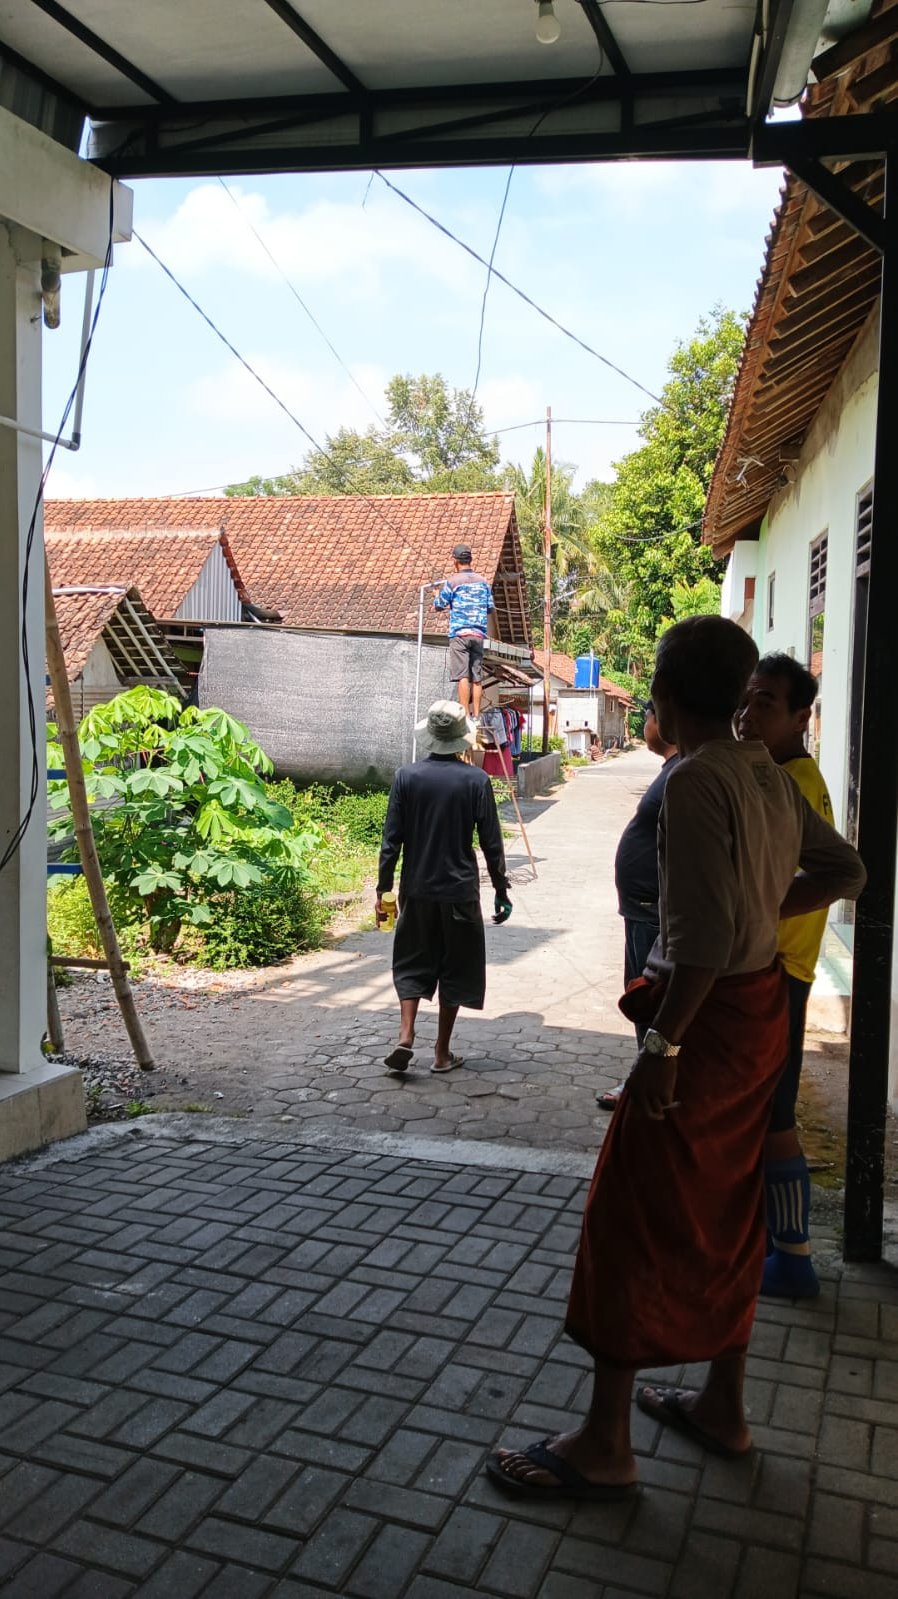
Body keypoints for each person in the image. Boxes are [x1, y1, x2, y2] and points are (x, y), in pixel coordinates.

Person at [486, 616, 864, 1503]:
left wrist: (661, 1045)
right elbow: (845, 869)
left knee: (633, 1215)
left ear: (656, 694)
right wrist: (769, 911)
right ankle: (723, 1405)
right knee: (730, 1207)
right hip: (758, 1013)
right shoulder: (766, 775)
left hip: (705, 1025)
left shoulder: (696, 780)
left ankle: (605, 1442)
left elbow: (694, 941)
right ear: (739, 697)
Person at [738, 653, 832, 1300]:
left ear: (802, 716)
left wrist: (753, 912)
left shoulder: (792, 784)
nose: (748, 713)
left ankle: (792, 1256)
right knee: (768, 1113)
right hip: (775, 969)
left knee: (771, 1116)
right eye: (746, 698)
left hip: (777, 974)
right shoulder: (778, 774)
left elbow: (824, 876)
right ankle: (779, 1246)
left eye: (766, 702)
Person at [377, 700, 512, 1075]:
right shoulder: (476, 781)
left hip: (416, 890)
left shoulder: (406, 777)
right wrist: (502, 889)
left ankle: (405, 1035)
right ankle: (441, 1052)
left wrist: (382, 891)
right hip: (459, 892)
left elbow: (391, 841)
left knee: (412, 961)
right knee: (454, 966)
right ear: (460, 740)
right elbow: (491, 843)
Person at [597, 700, 679, 1110]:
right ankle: (647, 1076)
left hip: (653, 910)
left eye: (647, 716)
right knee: (644, 997)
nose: (644, 723)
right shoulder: (673, 770)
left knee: (650, 998)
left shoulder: (684, 772)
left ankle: (650, 1080)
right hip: (644, 907)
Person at [433, 543, 495, 718]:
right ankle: (476, 715)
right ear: (470, 560)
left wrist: (436, 596)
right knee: (477, 676)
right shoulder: (483, 582)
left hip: (460, 635)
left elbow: (439, 606)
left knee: (462, 676)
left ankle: (465, 715)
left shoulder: (452, 582)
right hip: (478, 634)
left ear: (455, 561)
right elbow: (490, 608)